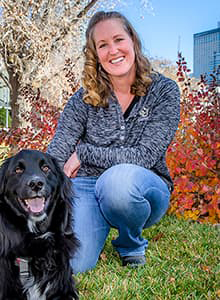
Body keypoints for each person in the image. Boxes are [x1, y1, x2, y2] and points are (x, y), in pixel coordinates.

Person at [47, 11, 180, 273]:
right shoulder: (83, 99)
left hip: (143, 188)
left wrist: (84, 153)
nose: (113, 50)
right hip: (86, 185)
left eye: (118, 39)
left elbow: (145, 156)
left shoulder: (164, 91)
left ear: (132, 41)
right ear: (95, 53)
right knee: (75, 263)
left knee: (117, 182)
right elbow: (57, 152)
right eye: (103, 45)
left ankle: (131, 243)